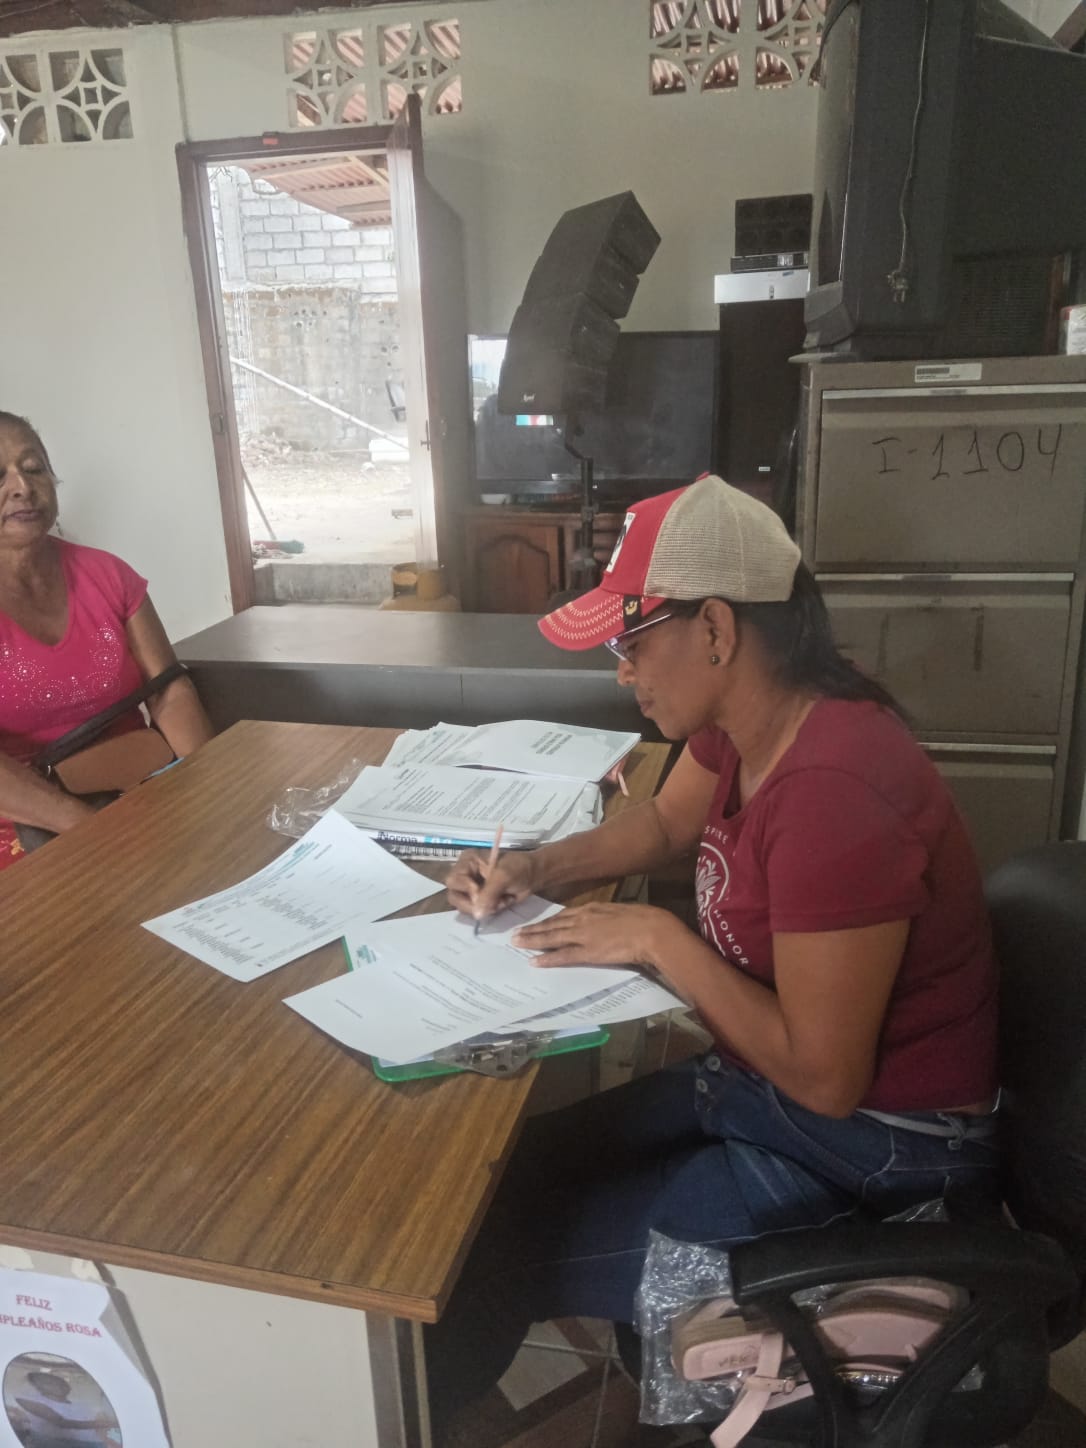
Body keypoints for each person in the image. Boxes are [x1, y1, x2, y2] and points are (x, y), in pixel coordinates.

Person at [428, 474, 1000, 1430]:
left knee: (484, 1260)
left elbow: (826, 1077)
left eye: (632, 643)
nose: (623, 673)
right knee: (505, 1179)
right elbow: (660, 825)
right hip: (766, 1093)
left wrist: (661, 940)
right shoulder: (753, 719)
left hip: (877, 1148)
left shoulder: (833, 790)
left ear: (718, 631)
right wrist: (534, 864)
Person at [0, 411, 214, 869]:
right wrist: (96, 832)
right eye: (0, 475)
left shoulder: (108, 575)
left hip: (139, 790)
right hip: (24, 829)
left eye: (34, 468)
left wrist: (213, 785)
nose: (22, 487)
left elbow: (169, 690)